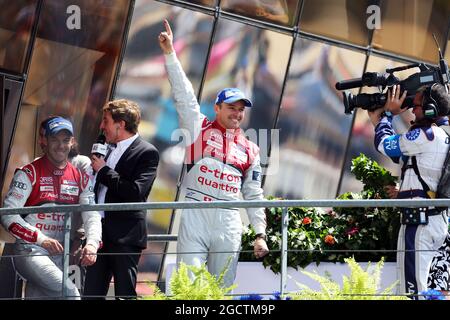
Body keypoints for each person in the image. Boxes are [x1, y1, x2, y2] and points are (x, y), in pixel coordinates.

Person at [159, 19, 269, 288]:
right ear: (217, 108)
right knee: (190, 286)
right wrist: (170, 53)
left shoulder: (251, 148)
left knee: (222, 287)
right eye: (231, 107)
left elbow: (254, 193)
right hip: (196, 210)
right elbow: (183, 94)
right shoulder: (197, 127)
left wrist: (260, 233)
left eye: (241, 109)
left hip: (229, 219)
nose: (237, 113)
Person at [1, 116, 102, 299]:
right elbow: (7, 215)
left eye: (65, 140)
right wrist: (41, 239)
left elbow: (91, 214)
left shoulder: (80, 176)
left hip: (59, 253)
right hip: (31, 249)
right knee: (70, 293)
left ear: (72, 142)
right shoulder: (28, 173)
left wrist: (93, 243)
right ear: (43, 141)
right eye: (54, 139)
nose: (60, 145)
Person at [367, 83, 450, 299]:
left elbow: (386, 145)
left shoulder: (426, 134)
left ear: (431, 108)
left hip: (419, 224)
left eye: (417, 106)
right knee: (418, 288)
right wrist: (381, 119)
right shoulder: (438, 135)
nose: (412, 110)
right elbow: (402, 156)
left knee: (412, 291)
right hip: (429, 220)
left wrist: (388, 114)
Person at [83, 99, 159, 299]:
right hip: (98, 234)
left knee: (124, 294)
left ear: (121, 124)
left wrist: (104, 170)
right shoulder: (104, 147)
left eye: (105, 121)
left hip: (125, 236)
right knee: (91, 293)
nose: (101, 126)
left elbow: (136, 192)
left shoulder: (147, 152)